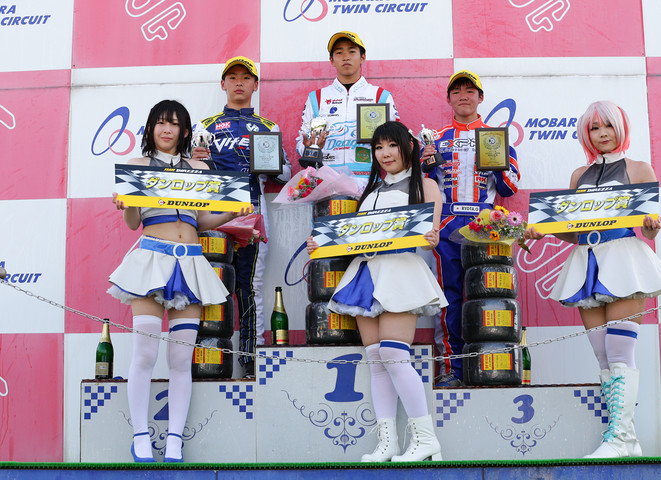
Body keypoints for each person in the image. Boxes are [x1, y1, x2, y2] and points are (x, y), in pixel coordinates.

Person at [525, 100, 661, 458]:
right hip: (586, 261)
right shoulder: (579, 175)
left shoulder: (639, 168)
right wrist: (544, 230)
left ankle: (619, 439)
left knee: (620, 353)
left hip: (624, 259)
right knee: (603, 358)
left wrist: (652, 227)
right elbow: (575, 231)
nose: (602, 133)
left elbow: (649, 229)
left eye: (607, 125)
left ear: (620, 127)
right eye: (594, 128)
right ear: (586, 134)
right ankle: (626, 439)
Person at [108, 100, 250, 463]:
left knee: (181, 358)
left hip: (190, 264)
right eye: (160, 123)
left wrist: (233, 212)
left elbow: (200, 221)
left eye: (173, 123)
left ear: (185, 131)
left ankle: (174, 440)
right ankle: (140, 436)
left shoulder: (198, 169)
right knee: (144, 354)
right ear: (150, 128)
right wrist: (128, 204)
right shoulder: (137, 166)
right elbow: (132, 224)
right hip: (151, 260)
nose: (166, 129)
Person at [307, 122, 446, 462]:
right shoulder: (369, 192)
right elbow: (352, 237)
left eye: (392, 145)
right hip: (366, 274)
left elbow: (431, 233)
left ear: (408, 147)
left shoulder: (426, 185)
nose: (385, 153)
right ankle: (388, 443)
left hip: (401, 272)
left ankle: (426, 439)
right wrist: (321, 244)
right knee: (376, 360)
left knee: (394, 355)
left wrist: (432, 237)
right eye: (379, 147)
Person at [421, 70, 520, 386]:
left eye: (469, 90)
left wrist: (498, 161)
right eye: (457, 91)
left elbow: (509, 188)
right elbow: (423, 186)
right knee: (448, 297)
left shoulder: (496, 136)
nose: (463, 96)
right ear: (448, 99)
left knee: (486, 294)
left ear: (480, 97)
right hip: (447, 221)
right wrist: (425, 162)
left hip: (485, 224)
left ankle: (489, 366)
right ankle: (453, 368)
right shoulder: (435, 138)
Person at [193, 55, 290, 378]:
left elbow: (287, 174)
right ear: (223, 84)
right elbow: (185, 175)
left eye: (245, 77)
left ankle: (250, 358)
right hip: (214, 218)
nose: (239, 82)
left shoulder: (267, 127)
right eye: (232, 77)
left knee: (250, 287)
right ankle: (208, 358)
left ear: (255, 85)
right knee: (210, 285)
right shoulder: (204, 126)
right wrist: (195, 159)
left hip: (252, 215)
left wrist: (270, 162)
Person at [296, 31, 400, 184]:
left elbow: (396, 142)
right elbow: (301, 141)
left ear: (362, 57)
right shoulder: (316, 98)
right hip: (324, 184)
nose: (346, 57)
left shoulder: (380, 96)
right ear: (331, 60)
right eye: (339, 52)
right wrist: (309, 148)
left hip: (367, 183)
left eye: (352, 51)